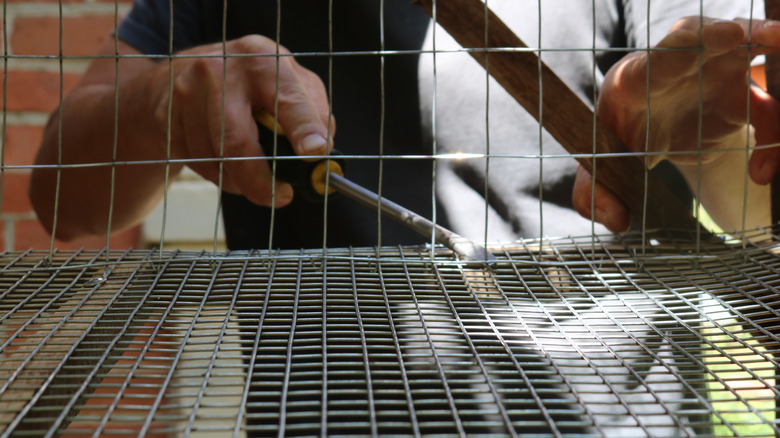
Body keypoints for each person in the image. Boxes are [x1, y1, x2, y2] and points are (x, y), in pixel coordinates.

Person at [29, 0, 771, 250]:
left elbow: (752, 196)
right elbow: (61, 199)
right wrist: (160, 102)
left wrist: (710, 141)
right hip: (323, 411)